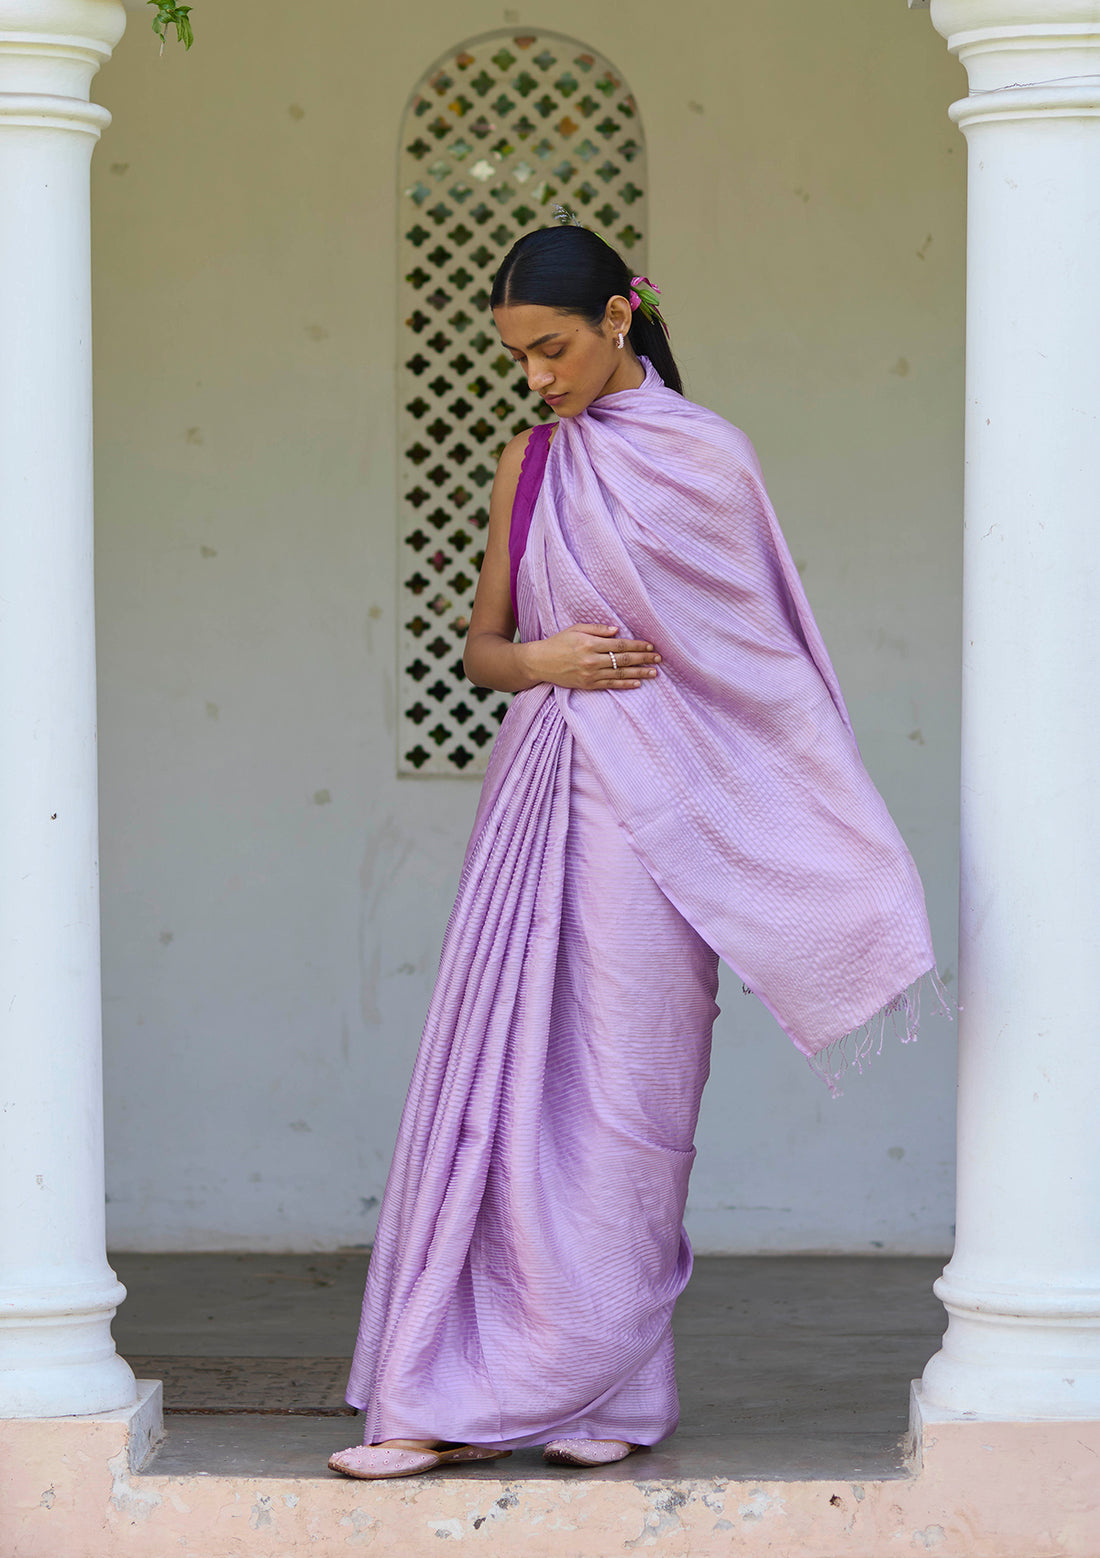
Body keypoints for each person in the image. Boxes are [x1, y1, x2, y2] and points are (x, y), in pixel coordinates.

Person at [327, 216, 948, 1482]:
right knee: (501, 1095)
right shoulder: (531, 463)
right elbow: (484, 650)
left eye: (549, 347)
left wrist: (827, 832)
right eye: (515, 356)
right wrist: (543, 662)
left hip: (674, 827)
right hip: (546, 803)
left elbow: (757, 669)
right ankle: (438, 1384)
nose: (535, 377)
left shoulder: (709, 462)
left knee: (629, 1101)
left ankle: (601, 1384)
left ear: (618, 317)